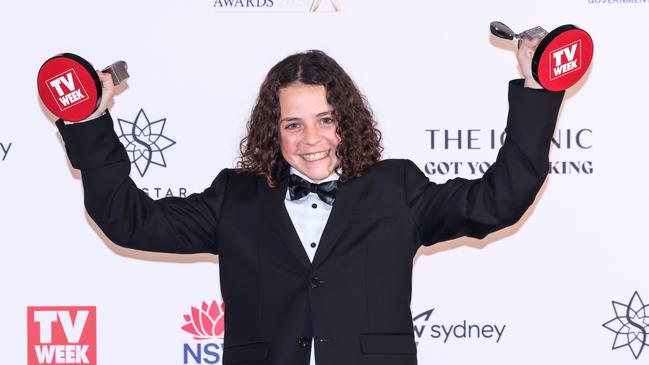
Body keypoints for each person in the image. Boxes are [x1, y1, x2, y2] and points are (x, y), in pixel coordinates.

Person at [55, 41, 564, 365]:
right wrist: (88, 122)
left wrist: (538, 90)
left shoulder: (396, 189)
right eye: (293, 124)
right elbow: (128, 221)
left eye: (326, 119)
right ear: (271, 131)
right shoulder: (235, 198)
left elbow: (499, 199)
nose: (311, 139)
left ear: (348, 121)